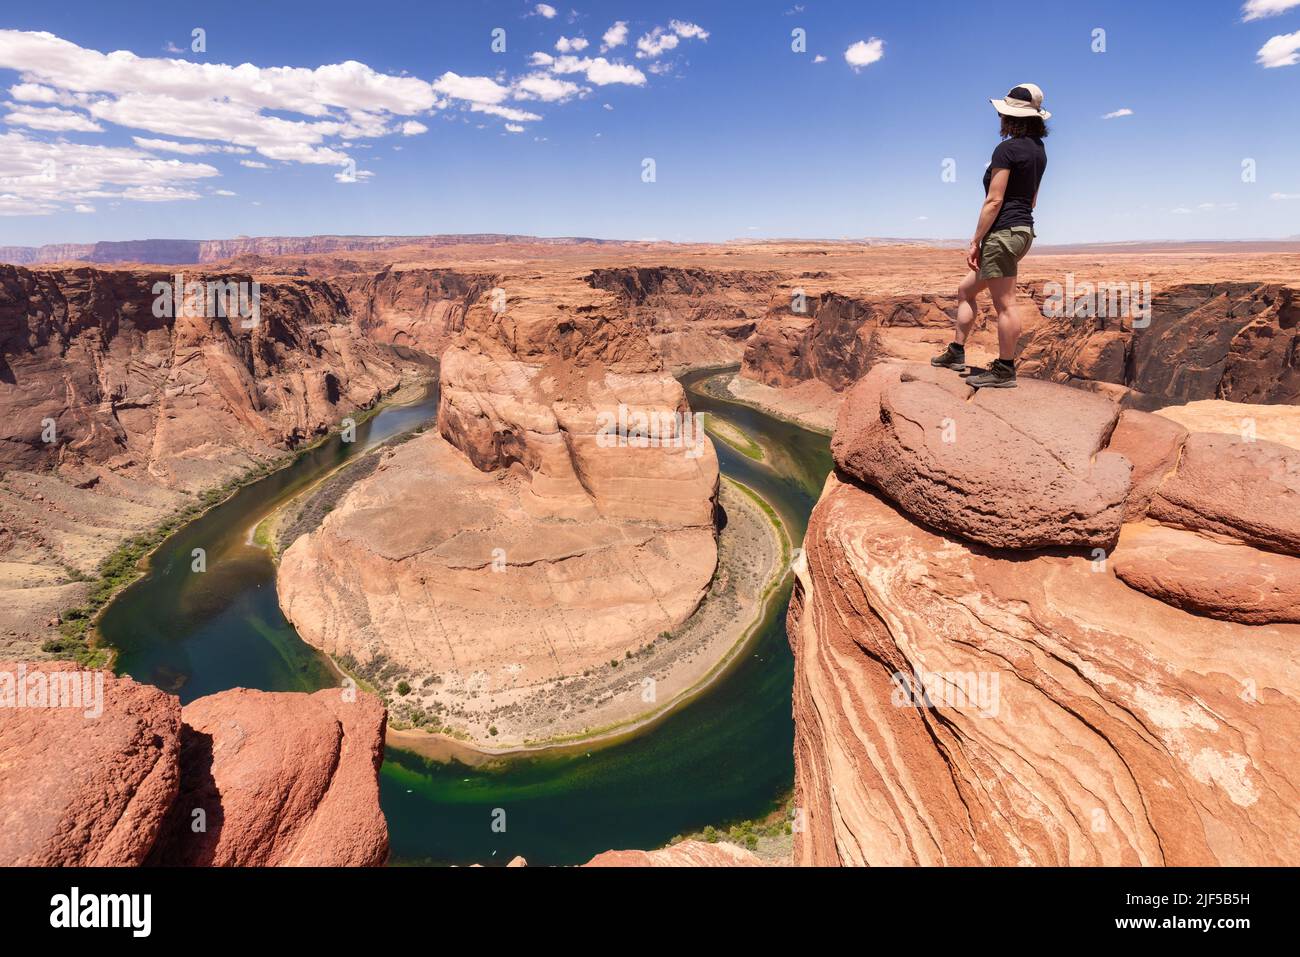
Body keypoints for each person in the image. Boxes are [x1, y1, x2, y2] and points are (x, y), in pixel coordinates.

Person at [932, 83, 1049, 388]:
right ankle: (956, 351)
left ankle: (1004, 370)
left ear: (1010, 117)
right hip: (1023, 230)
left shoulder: (1006, 150)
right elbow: (1033, 198)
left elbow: (994, 200)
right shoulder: (1039, 151)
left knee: (1005, 304)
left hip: (1003, 232)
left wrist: (975, 241)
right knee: (966, 290)